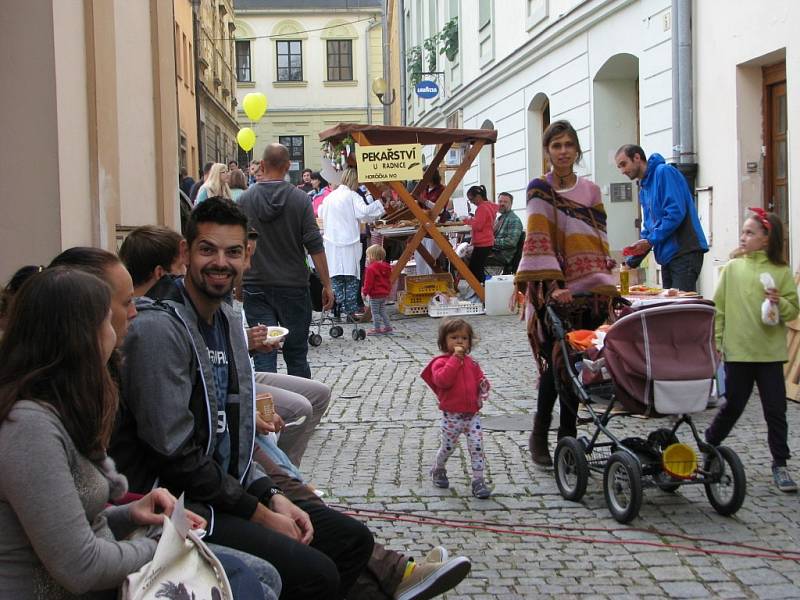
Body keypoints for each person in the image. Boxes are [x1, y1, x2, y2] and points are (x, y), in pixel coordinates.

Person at [116, 198, 373, 598]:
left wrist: (271, 494)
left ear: (246, 257)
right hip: (180, 506)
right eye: (208, 249)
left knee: (351, 538)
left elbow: (233, 440)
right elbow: (176, 456)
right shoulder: (158, 329)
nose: (221, 262)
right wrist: (260, 512)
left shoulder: (228, 318)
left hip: (222, 491)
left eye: (232, 252)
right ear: (185, 254)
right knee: (315, 572)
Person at [0, 267, 272, 599]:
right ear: (81, 336)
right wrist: (163, 546)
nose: (130, 317)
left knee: (253, 577)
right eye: (109, 319)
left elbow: (67, 526)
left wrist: (129, 514)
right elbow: (80, 565)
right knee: (244, 581)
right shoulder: (29, 427)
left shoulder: (57, 408)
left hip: (99, 571)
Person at [516, 120, 617, 467]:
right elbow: (537, 239)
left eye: (568, 145)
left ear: (577, 150)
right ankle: (545, 433)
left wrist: (606, 276)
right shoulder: (539, 189)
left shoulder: (591, 190)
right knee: (557, 364)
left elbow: (597, 236)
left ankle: (567, 438)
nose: (562, 152)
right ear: (547, 151)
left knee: (580, 363)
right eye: (556, 145)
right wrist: (554, 286)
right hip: (553, 293)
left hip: (591, 291)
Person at [705, 209, 799, 492]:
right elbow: (718, 309)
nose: (743, 237)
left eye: (750, 233)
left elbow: (793, 310)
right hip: (738, 353)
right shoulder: (733, 269)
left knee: (776, 409)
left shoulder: (781, 272)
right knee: (733, 405)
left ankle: (780, 464)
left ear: (766, 239)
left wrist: (778, 302)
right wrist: (718, 343)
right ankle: (710, 443)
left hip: (769, 355)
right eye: (743, 232)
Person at [239, 143, 335, 378]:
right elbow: (314, 245)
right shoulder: (300, 199)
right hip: (293, 285)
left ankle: (266, 410)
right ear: (287, 167)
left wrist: (238, 284)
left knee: (263, 353)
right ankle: (304, 410)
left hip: (256, 285)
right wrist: (327, 284)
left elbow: (238, 247)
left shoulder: (245, 200)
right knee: (296, 354)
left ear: (261, 165)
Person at [615, 144, 709, 291]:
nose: (622, 171)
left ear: (637, 157)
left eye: (623, 164)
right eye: (619, 167)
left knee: (679, 308)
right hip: (667, 256)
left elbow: (675, 212)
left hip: (684, 250)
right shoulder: (644, 189)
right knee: (669, 309)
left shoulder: (664, 172)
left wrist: (650, 240)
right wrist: (631, 261)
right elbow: (649, 228)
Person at [421, 318, 492, 499]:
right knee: (448, 447)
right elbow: (443, 381)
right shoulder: (440, 362)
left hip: (472, 415)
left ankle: (478, 480)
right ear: (444, 341)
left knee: (476, 446)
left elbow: (479, 380)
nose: (459, 342)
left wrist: (483, 386)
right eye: (454, 337)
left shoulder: (472, 363)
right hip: (452, 416)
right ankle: (438, 468)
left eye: (464, 338)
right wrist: (453, 360)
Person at [319, 166, 385, 321]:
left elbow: (321, 213)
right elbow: (364, 213)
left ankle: (336, 310)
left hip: (332, 244)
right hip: (349, 243)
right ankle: (349, 311)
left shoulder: (329, 198)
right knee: (351, 280)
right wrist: (379, 204)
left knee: (335, 279)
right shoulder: (352, 196)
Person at [462, 185, 498, 285]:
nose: (471, 202)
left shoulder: (481, 208)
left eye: (471, 199)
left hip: (482, 243)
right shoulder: (489, 206)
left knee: (474, 269)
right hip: (487, 242)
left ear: (478, 196)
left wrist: (466, 220)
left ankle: (480, 290)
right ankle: (482, 289)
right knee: (478, 267)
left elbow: (478, 226)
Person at [362, 244, 393, 335]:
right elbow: (388, 281)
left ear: (372, 256)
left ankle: (377, 328)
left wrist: (364, 293)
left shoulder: (371, 269)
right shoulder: (386, 267)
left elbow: (368, 283)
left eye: (367, 256)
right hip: (383, 294)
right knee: (383, 311)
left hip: (375, 295)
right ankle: (388, 327)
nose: (367, 259)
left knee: (375, 312)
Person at [490, 192, 524, 273]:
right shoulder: (500, 218)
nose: (502, 204)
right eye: (500, 201)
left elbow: (511, 242)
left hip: (501, 255)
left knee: (473, 258)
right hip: (493, 251)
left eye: (505, 202)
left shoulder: (514, 220)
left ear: (511, 204)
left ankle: (477, 282)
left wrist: (490, 241)